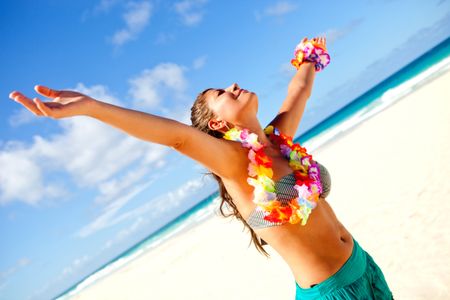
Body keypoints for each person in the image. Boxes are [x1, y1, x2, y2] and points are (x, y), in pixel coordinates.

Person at [9, 37, 394, 299]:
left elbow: (298, 91)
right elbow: (177, 137)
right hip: (332, 291)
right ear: (216, 125)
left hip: (363, 264)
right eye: (221, 95)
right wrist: (93, 107)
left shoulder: (280, 142)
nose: (233, 85)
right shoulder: (236, 165)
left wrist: (310, 56)